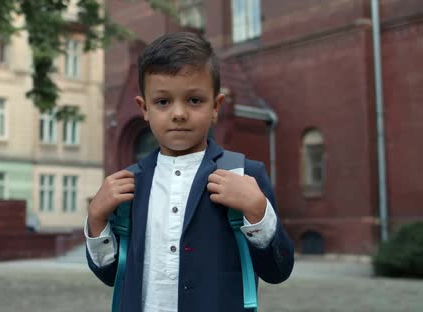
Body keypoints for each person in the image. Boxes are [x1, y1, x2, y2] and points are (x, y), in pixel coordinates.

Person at [85, 32, 294, 312]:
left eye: (194, 100)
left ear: (216, 107)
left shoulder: (244, 175)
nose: (179, 113)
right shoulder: (129, 184)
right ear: (144, 108)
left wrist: (258, 210)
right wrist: (97, 219)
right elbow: (111, 276)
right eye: (163, 102)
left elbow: (277, 271)